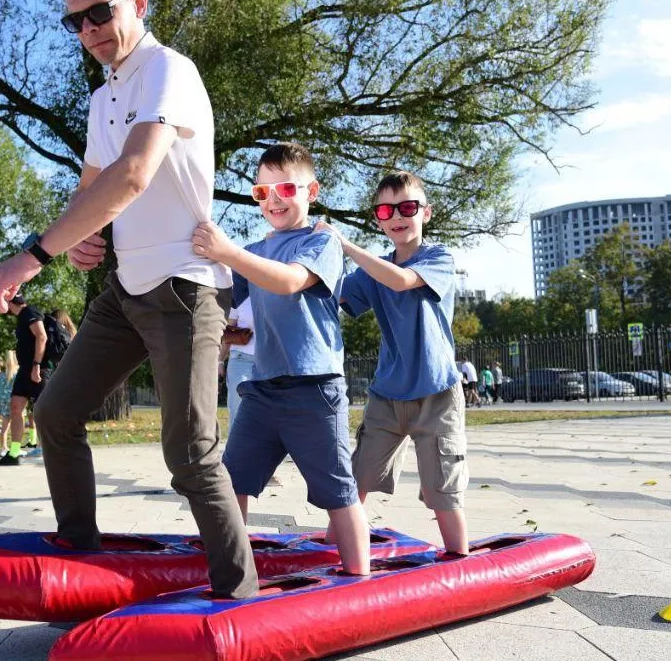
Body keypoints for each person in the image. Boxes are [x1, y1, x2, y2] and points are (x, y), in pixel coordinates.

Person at [0, 0, 258, 599]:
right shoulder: (103, 96)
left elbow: (133, 173)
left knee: (189, 454)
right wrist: (86, 239)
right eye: (74, 20)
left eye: (100, 11)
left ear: (139, 3)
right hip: (125, 292)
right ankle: (81, 562)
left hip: (185, 290)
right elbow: (93, 188)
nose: (89, 29)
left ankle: (238, 597)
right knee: (55, 414)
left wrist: (33, 255)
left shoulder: (168, 70)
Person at [193, 142, 370, 575]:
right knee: (232, 481)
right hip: (263, 386)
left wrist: (228, 251)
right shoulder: (256, 249)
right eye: (262, 192)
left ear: (312, 191)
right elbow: (222, 297)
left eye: (286, 188)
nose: (273, 200)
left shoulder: (321, 240)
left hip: (315, 388)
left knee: (337, 491)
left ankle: (360, 578)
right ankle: (231, 569)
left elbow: (291, 282)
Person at [318, 171, 469, 555]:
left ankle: (458, 558)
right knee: (355, 480)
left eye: (407, 207)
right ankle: (329, 555)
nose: (397, 216)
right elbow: (329, 295)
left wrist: (346, 246)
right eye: (386, 209)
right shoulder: (373, 270)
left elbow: (402, 280)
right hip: (387, 395)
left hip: (437, 393)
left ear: (426, 213)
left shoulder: (438, 257)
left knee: (442, 489)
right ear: (379, 218)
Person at [0, 296, 46, 466]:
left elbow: (42, 336)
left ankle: (51, 450)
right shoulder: (21, 316)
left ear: (9, 302)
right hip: (24, 370)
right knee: (15, 408)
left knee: (44, 411)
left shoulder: (30, 312)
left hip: (38, 369)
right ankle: (14, 453)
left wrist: (36, 365)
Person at [220, 298, 256, 431]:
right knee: (238, 410)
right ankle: (235, 451)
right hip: (241, 360)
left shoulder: (276, 290)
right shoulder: (240, 292)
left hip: (271, 361)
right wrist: (220, 361)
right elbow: (229, 332)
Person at [0, 350, 17, 449]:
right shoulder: (17, 376)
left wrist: (2, 401)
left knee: (5, 427)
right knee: (16, 426)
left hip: (4, 404)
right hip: (16, 403)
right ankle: (15, 448)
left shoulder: (2, 376)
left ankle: (4, 447)